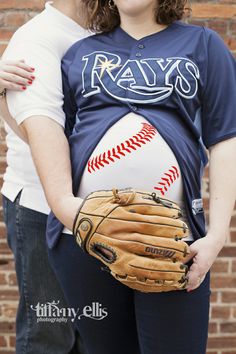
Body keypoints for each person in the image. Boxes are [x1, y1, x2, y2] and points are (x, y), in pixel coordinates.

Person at [2, 0, 236, 353]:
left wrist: (216, 236)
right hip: (86, 237)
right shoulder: (79, 53)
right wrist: (2, 100)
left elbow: (225, 140)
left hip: (172, 238)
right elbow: (51, 138)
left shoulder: (204, 44)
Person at [0, 1, 90, 353]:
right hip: (40, 209)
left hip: (87, 207)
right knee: (50, 332)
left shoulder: (103, 33)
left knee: (90, 329)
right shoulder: (37, 38)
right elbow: (40, 136)